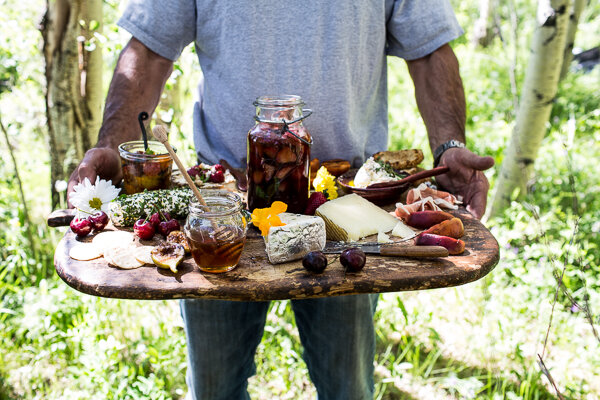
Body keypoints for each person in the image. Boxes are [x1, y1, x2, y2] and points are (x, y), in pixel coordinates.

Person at [67, 1, 495, 399]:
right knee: (215, 388)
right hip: (218, 206)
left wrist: (449, 146)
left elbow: (429, 50)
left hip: (346, 209)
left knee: (346, 385)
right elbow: (149, 49)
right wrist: (112, 144)